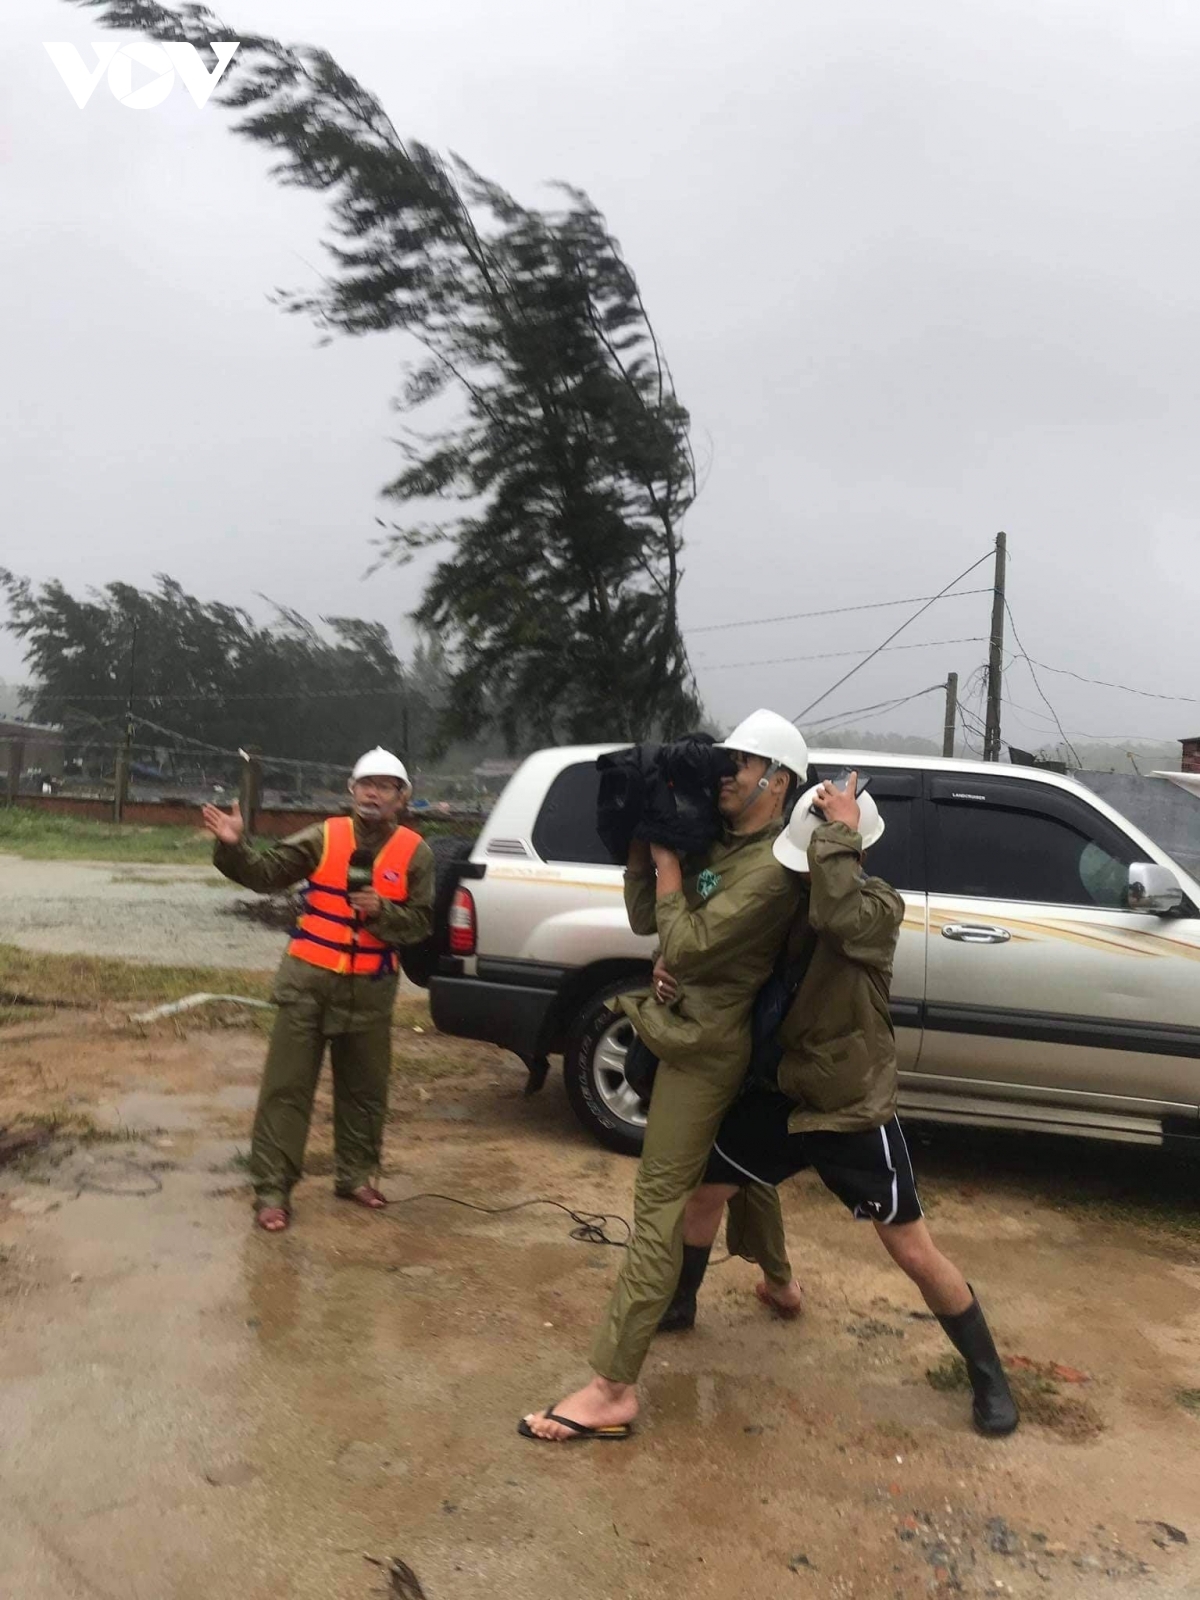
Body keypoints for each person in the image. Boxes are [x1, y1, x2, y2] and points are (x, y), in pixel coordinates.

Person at [668, 773, 1020, 1438]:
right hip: (782, 1094)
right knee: (704, 1191)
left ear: (852, 849)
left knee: (913, 1251)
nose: (807, 874)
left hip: (847, 1105)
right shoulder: (790, 902)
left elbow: (839, 912)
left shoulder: (876, 909)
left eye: (823, 856)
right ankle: (680, 1303)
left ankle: (989, 1378)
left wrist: (840, 834)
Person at [520, 709, 810, 1442]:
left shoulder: (774, 870)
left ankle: (611, 1387)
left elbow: (687, 941)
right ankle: (778, 1281)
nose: (723, 777)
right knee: (738, 1163)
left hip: (708, 1048)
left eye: (738, 767)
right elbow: (651, 920)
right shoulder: (721, 842)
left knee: (659, 1203)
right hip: (695, 1027)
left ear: (775, 783)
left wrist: (676, 875)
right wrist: (645, 844)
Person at [202, 748, 434, 1233]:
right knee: (286, 1090)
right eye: (366, 784)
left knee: (365, 1092)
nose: (374, 793)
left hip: (370, 993)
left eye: (385, 786)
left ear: (402, 797)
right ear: (351, 790)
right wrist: (232, 846)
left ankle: (355, 1177)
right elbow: (266, 875)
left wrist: (382, 913)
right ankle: (272, 1191)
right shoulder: (323, 837)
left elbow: (421, 926)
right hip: (308, 984)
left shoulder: (416, 853)